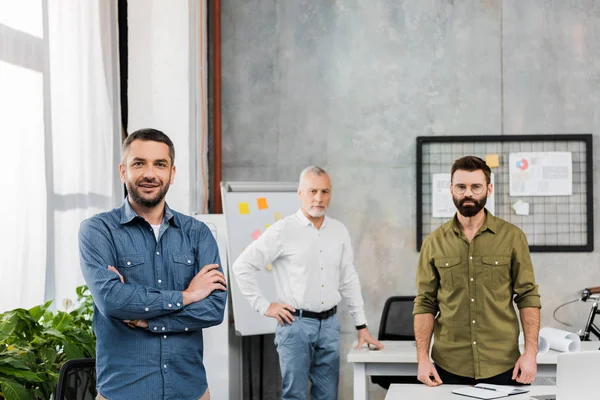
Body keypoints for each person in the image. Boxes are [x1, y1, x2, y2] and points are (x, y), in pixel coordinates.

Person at [79, 128, 227, 400]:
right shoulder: (98, 231)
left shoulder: (198, 233)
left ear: (172, 173)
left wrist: (146, 321)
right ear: (123, 172)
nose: (150, 173)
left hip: (190, 391)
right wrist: (188, 295)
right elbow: (112, 300)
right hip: (123, 392)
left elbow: (214, 309)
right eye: (139, 163)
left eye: (160, 164)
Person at [232, 166, 383, 399]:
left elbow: (349, 279)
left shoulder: (339, 231)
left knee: (328, 395)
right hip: (295, 326)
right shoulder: (283, 230)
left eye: (325, 192)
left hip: (330, 325)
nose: (319, 198)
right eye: (313, 191)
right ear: (300, 192)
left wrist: (361, 326)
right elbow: (242, 266)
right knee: (295, 395)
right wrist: (264, 306)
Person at [413, 155, 541, 387]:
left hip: (504, 365)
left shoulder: (512, 237)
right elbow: (425, 302)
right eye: (461, 187)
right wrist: (422, 358)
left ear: (488, 189)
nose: (468, 193)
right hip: (448, 366)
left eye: (476, 186)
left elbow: (528, 296)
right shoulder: (434, 242)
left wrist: (530, 353)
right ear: (451, 189)